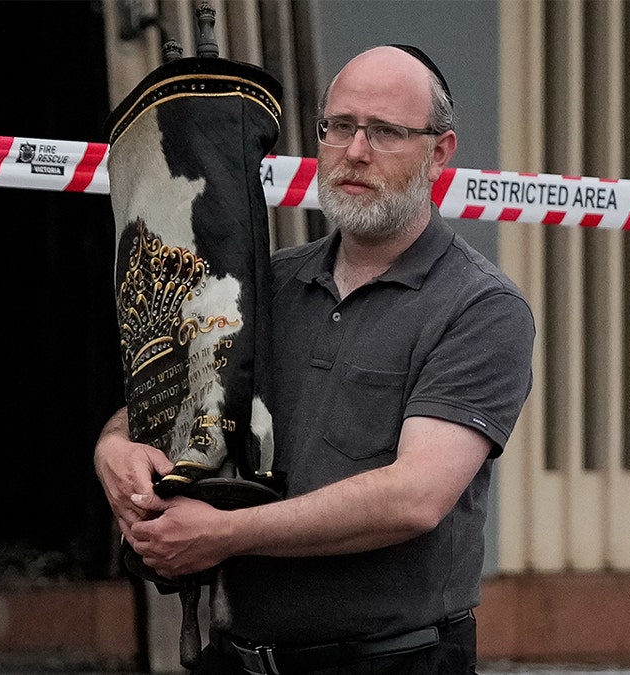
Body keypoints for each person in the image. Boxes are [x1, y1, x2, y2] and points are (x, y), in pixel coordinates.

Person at [94, 44, 535, 674]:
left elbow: (415, 497)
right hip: (241, 657)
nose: (355, 152)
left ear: (440, 153)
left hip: (391, 662)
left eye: (385, 132)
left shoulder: (479, 308)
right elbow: (171, 396)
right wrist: (113, 448)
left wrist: (221, 536)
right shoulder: (262, 286)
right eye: (339, 127)